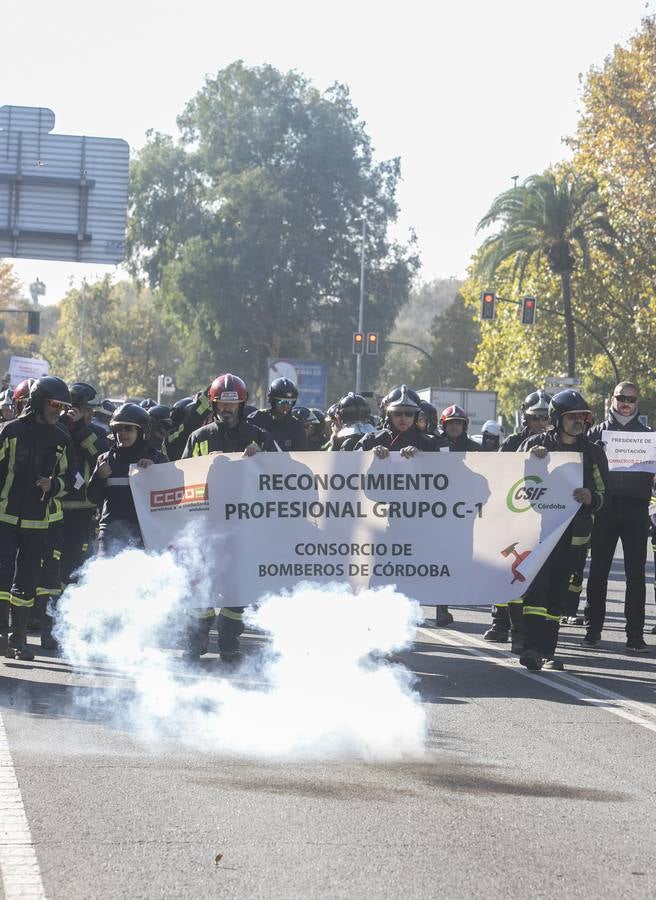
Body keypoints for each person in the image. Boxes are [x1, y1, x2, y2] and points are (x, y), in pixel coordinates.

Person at [181, 373, 278, 662]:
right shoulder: (199, 438)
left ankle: (229, 642)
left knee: (236, 588)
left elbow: (283, 471)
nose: (227, 408)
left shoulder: (258, 436)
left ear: (241, 405)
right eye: (222, 403)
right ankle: (196, 641)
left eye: (232, 404)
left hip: (244, 526)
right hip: (205, 525)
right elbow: (181, 475)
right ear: (213, 404)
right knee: (202, 585)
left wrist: (262, 457)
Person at [518, 390, 608, 671]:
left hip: (574, 534)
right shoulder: (536, 444)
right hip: (539, 532)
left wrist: (591, 497)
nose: (579, 421)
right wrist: (531, 458)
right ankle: (531, 647)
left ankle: (548, 651)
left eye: (582, 416)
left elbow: (604, 493)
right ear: (557, 419)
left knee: (558, 591)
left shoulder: (593, 451)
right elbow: (513, 478)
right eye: (572, 417)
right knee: (536, 590)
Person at [0, 376, 74, 660]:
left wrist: (54, 486)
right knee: (3, 575)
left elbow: (73, 479)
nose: (59, 410)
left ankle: (19, 641)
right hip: (4, 517)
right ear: (38, 401)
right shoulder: (9, 431)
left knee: (27, 582)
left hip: (38, 522)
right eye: (55, 404)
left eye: (63, 406)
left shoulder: (63, 438)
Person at [583, 382, 652, 653]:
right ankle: (593, 630)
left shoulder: (648, 436)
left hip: (636, 510)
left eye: (631, 399)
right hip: (604, 509)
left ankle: (635, 634)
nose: (626, 403)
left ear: (637, 403)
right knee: (598, 572)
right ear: (612, 399)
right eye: (621, 398)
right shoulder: (595, 434)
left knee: (636, 575)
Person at [485, 390, 552, 646]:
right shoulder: (512, 442)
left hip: (545, 521)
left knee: (535, 577)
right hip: (513, 518)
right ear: (526, 418)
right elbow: (498, 475)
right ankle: (500, 623)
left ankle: (526, 631)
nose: (540, 423)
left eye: (545, 418)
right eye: (535, 418)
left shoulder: (558, 444)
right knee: (508, 573)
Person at [88, 403, 166, 556]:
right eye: (118, 429)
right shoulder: (105, 460)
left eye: (128, 428)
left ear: (141, 431)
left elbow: (172, 498)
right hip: (111, 532)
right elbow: (92, 498)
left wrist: (155, 472)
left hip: (145, 532)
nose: (122, 433)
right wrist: (99, 478)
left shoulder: (156, 458)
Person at [248, 377, 307, 451]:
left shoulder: (296, 427)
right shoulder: (256, 419)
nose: (285, 406)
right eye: (281, 402)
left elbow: (301, 456)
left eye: (289, 402)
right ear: (272, 400)